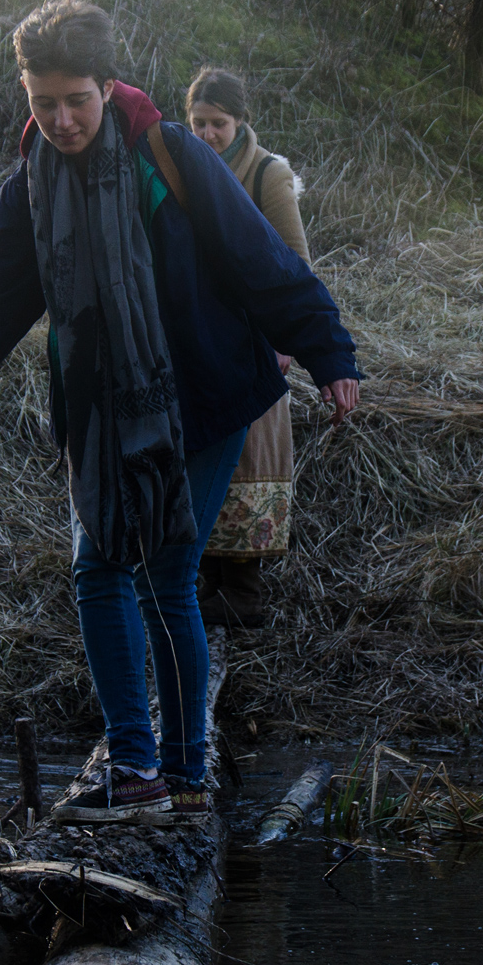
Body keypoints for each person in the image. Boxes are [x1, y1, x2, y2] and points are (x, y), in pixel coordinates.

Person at [0, 0, 361, 824]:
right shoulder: (29, 190)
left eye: (76, 100)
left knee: (167, 571)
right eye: (43, 102)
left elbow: (260, 259)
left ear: (107, 85)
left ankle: (181, 776)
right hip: (99, 407)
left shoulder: (168, 156)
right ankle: (136, 769)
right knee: (98, 568)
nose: (61, 119)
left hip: (205, 395)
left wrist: (329, 352)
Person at [185, 66, 304, 628]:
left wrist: (283, 338)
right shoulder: (181, 166)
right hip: (202, 341)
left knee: (248, 463)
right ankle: (209, 579)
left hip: (254, 344)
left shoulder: (267, 175)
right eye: (198, 122)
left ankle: (245, 593)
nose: (207, 134)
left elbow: (295, 265)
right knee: (206, 459)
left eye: (218, 124)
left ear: (241, 122)